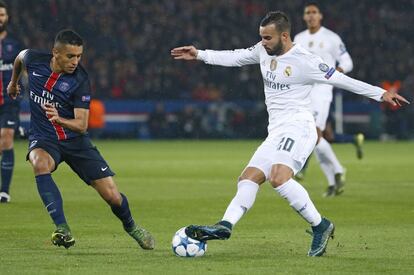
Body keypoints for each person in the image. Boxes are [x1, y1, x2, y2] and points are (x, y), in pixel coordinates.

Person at [171, 11, 408, 256]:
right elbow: (236, 57)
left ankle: (320, 226)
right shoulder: (263, 50)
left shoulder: (306, 61)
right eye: (262, 37)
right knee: (247, 178)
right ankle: (225, 225)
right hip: (276, 130)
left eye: (268, 38)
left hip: (299, 127)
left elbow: (340, 79)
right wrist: (199, 54)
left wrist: (380, 93)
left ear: (284, 36)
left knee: (278, 177)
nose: (263, 42)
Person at [7, 29, 154, 250]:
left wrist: (59, 119)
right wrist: (13, 82)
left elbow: (81, 125)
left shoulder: (80, 80)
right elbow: (19, 57)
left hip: (76, 142)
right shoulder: (34, 60)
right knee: (39, 162)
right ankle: (62, 228)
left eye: (79, 56)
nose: (75, 61)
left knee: (112, 195)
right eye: (70, 56)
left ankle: (131, 226)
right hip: (44, 138)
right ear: (55, 53)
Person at [293, 2, 363, 196]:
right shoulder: (298, 38)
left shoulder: (331, 38)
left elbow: (347, 62)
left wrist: (335, 73)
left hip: (322, 91)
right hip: (304, 92)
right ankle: (334, 181)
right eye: (308, 13)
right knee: (315, 137)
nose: (311, 16)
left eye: (314, 12)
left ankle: (339, 170)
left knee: (315, 135)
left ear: (320, 16)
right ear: (304, 17)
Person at [0, 1, 24, 203]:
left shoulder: (15, 45)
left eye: (2, 15)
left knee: (6, 139)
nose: (0, 18)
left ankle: (4, 191)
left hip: (9, 101)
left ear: (7, 18)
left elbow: (23, 70)